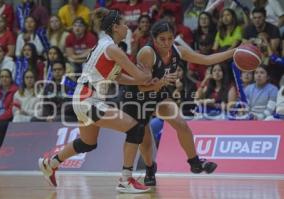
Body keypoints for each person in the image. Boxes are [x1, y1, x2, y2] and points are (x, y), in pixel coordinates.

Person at [38, 8, 152, 193]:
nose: (126, 27)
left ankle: (50, 163)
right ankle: (125, 180)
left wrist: (140, 79)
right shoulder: (113, 49)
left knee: (87, 143)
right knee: (136, 128)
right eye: (124, 24)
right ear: (115, 27)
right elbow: (141, 76)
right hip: (89, 99)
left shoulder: (105, 44)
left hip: (83, 97)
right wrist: (147, 73)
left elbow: (117, 77)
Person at [118, 19, 237, 186]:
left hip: (158, 94)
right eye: (162, 39)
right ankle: (150, 168)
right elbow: (141, 86)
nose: (167, 43)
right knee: (144, 139)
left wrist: (234, 52)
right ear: (153, 38)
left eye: (170, 38)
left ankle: (195, 162)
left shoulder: (178, 51)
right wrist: (162, 81)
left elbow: (207, 59)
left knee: (181, 123)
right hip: (138, 97)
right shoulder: (146, 53)